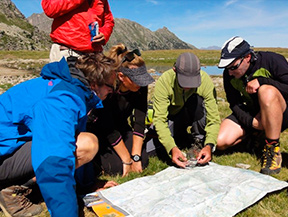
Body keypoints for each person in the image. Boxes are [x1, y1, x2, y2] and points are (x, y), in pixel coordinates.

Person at [0, 53, 117, 217]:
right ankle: (12, 191)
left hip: (10, 149)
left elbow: (69, 139)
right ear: (95, 84)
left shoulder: (72, 87)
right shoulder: (63, 99)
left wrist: (88, 185)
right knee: (85, 144)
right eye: (110, 88)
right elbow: (54, 159)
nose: (111, 93)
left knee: (82, 141)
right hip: (3, 158)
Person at [217, 36, 288, 175]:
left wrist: (261, 81)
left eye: (233, 67)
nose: (230, 72)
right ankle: (255, 138)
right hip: (254, 114)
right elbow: (234, 103)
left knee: (266, 91)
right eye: (226, 68)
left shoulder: (272, 60)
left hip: (282, 112)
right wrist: (252, 122)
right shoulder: (229, 74)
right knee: (220, 141)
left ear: (248, 57)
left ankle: (272, 149)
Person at [87, 44, 155, 176]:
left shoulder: (140, 87)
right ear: (121, 77)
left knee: (144, 160)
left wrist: (135, 157)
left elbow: (140, 121)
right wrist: (126, 160)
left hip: (122, 128)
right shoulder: (107, 89)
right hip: (100, 130)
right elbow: (108, 127)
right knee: (116, 167)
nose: (141, 84)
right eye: (136, 80)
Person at [152, 52, 220, 168]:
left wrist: (209, 145)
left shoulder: (205, 81)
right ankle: (179, 138)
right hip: (173, 118)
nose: (188, 86)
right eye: (184, 81)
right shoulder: (164, 81)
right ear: (175, 71)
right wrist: (171, 148)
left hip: (192, 113)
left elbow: (213, 118)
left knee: (198, 101)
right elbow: (159, 120)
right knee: (153, 150)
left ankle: (199, 141)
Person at [42, 0, 114, 62]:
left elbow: (109, 21)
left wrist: (104, 34)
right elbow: (50, 9)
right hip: (66, 52)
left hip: (94, 56)